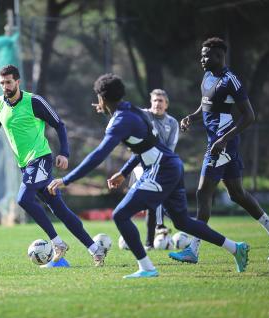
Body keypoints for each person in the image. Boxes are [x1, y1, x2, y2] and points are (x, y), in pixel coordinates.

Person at [47, 73, 249, 278]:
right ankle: (235, 248)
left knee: (121, 215)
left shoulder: (121, 121)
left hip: (161, 170)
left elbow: (99, 154)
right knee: (182, 222)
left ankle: (147, 268)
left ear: (102, 98)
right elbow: (144, 147)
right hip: (171, 165)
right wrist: (124, 172)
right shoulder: (132, 111)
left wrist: (66, 179)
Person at [0, 65, 105, 266]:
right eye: (2, 83)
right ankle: (95, 249)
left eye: (8, 82)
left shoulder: (33, 101)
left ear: (18, 82)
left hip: (41, 159)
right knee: (59, 209)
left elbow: (59, 124)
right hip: (25, 165)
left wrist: (64, 153)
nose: (5, 86)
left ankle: (57, 243)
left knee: (23, 199)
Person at [170, 37, 269, 263]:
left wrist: (224, 140)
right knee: (236, 194)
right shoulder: (207, 76)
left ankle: (193, 250)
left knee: (202, 192)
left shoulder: (231, 81)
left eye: (206, 55)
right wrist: (192, 117)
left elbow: (249, 116)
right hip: (217, 142)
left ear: (219, 56)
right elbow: (206, 105)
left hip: (222, 143)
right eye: (201, 55)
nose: (202, 59)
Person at [142, 89, 179, 249]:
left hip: (162, 166)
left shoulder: (172, 123)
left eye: (160, 101)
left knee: (155, 201)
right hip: (140, 165)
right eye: (155, 100)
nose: (157, 103)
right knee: (149, 201)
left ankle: (150, 241)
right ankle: (156, 229)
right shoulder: (143, 115)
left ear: (166, 105)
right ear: (151, 102)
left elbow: (171, 149)